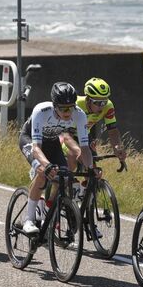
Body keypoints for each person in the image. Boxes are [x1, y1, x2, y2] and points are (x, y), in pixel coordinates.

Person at [19, 82, 95, 234]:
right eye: (63, 108)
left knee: (65, 178)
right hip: (30, 140)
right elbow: (36, 148)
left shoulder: (79, 115)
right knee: (43, 173)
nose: (68, 112)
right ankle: (28, 219)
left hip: (52, 141)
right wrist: (47, 165)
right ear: (54, 106)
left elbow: (85, 149)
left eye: (71, 107)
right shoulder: (41, 110)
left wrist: (92, 169)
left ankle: (48, 211)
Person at [61, 77, 126, 173]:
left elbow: (113, 131)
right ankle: (66, 182)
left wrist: (118, 147)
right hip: (66, 134)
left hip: (84, 134)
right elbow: (67, 136)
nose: (102, 106)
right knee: (72, 158)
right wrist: (78, 151)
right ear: (88, 99)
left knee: (93, 171)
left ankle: (88, 187)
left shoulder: (108, 107)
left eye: (104, 102)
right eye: (98, 102)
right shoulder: (75, 105)